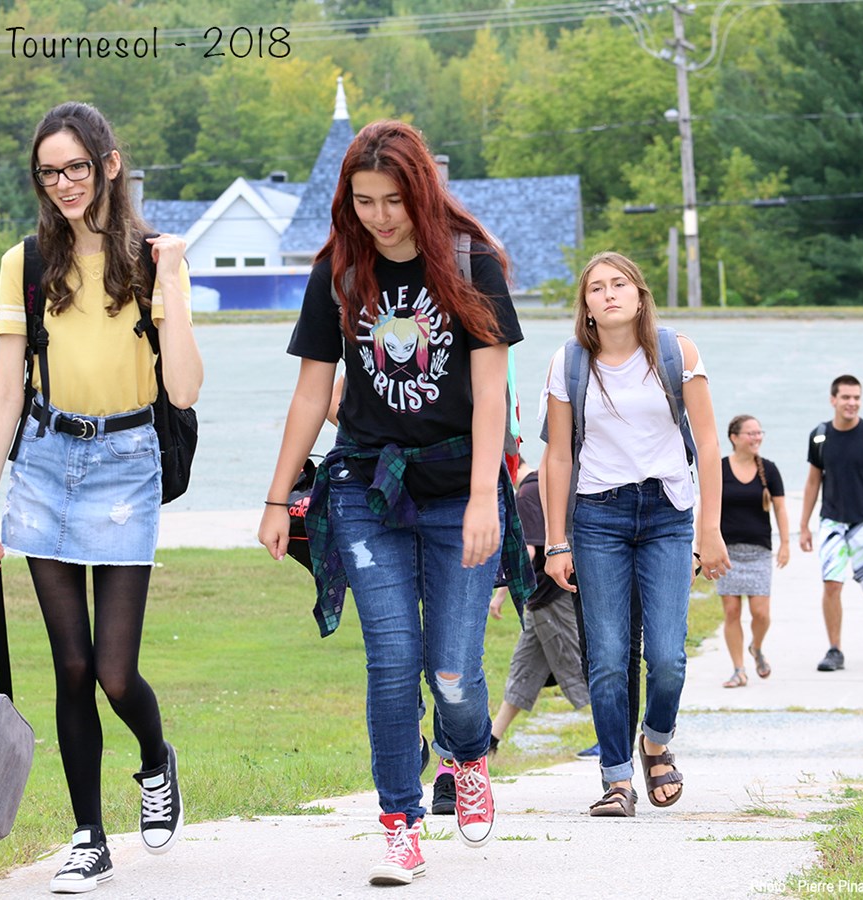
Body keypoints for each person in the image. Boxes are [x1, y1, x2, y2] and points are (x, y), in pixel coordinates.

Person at [257, 119, 533, 887]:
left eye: (394, 201)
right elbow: (313, 391)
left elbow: (490, 392)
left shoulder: (471, 262)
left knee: (452, 675)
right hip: (364, 489)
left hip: (457, 493)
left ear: (422, 192)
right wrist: (279, 497)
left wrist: (487, 497)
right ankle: (399, 825)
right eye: (364, 200)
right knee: (391, 664)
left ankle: (469, 754)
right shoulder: (341, 272)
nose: (380, 217)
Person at [0, 102, 202, 894]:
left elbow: (185, 386)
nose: (63, 183)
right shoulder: (26, 262)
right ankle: (88, 837)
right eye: (48, 171)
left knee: (112, 671)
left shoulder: (153, 258)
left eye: (76, 166)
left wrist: (171, 277)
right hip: (41, 462)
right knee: (68, 667)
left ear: (109, 162)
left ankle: (154, 757)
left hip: (127, 461)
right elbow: (5, 392)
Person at [542, 251, 728, 818]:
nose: (609, 294)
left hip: (669, 514)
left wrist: (711, 528)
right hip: (598, 516)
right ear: (587, 307)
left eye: (619, 283)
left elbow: (710, 443)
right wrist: (555, 541)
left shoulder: (678, 353)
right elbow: (556, 457)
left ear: (640, 295)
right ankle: (616, 778)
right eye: (596, 288)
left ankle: (655, 740)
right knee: (606, 654)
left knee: (668, 655)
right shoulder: (569, 363)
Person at [798, 375, 863, 672]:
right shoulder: (820, 435)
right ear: (833, 400)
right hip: (832, 521)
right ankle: (835, 650)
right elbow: (812, 483)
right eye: (845, 397)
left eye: (856, 397)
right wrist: (804, 525)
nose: (852, 403)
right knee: (832, 584)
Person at [486, 459, 592, 755]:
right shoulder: (541, 485)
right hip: (541, 599)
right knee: (524, 669)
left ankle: (612, 737)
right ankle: (491, 740)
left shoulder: (526, 493)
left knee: (575, 665)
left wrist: (500, 595)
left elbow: (527, 552)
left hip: (551, 595)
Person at [716, 415, 790, 687]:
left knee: (761, 613)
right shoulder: (720, 468)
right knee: (732, 612)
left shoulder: (768, 469)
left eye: (759, 432)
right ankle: (738, 669)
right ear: (734, 437)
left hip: (759, 550)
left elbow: (781, 508)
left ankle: (756, 647)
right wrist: (703, 545)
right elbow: (708, 507)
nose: (756, 437)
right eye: (751, 433)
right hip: (728, 551)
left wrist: (785, 544)